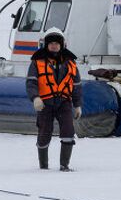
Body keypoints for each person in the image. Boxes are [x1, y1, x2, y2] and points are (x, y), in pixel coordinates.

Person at [26, 28, 82, 171]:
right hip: (45, 104)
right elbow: (31, 83)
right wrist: (35, 98)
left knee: (68, 132)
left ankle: (65, 166)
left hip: (64, 102)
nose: (54, 46)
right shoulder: (37, 62)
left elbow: (76, 86)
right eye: (51, 43)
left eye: (57, 43)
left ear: (62, 44)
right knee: (44, 133)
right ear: (46, 44)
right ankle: (43, 166)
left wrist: (77, 105)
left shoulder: (71, 62)